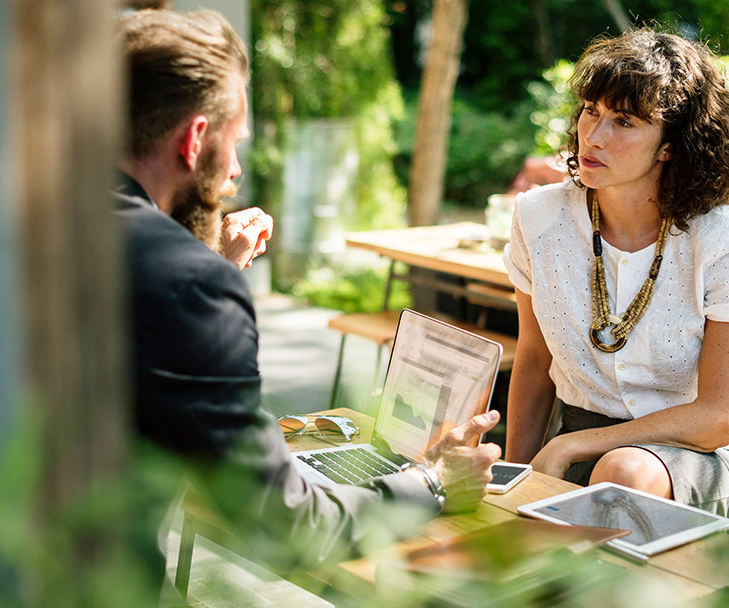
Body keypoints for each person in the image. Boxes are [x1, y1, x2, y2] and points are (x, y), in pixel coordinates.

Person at [113, 8, 501, 570]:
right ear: (196, 139)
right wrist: (431, 483)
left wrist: (208, 268)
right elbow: (287, 525)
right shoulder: (188, 283)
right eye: (235, 143)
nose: (236, 171)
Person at [503, 27, 729, 534]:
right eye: (590, 111)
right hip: (572, 447)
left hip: (692, 460)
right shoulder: (538, 217)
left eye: (624, 121)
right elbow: (535, 361)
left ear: (671, 145)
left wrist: (569, 445)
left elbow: (716, 417)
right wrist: (514, 478)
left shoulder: (724, 237)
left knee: (621, 472)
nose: (593, 136)